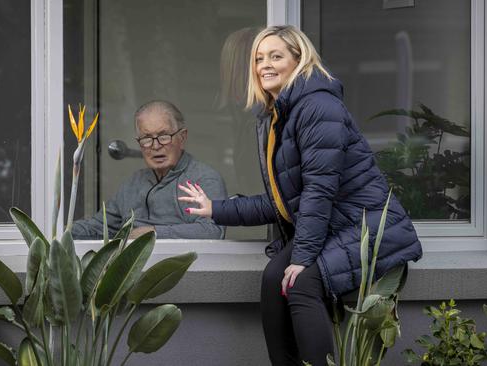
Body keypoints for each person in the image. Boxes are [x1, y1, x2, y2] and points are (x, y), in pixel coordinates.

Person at [179, 26, 422, 365]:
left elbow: (320, 190)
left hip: (364, 225)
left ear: (299, 59)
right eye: (259, 58)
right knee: (272, 279)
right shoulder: (277, 115)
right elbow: (281, 202)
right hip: (332, 223)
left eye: (275, 56)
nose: (265, 64)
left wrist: (302, 257)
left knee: (302, 282)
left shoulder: (318, 106)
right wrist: (215, 209)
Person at [72, 100, 227, 240]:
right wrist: (60, 233)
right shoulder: (134, 183)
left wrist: (154, 232)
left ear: (182, 137)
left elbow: (212, 230)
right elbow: (98, 227)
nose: (155, 146)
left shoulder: (204, 179)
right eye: (146, 139)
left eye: (164, 136)